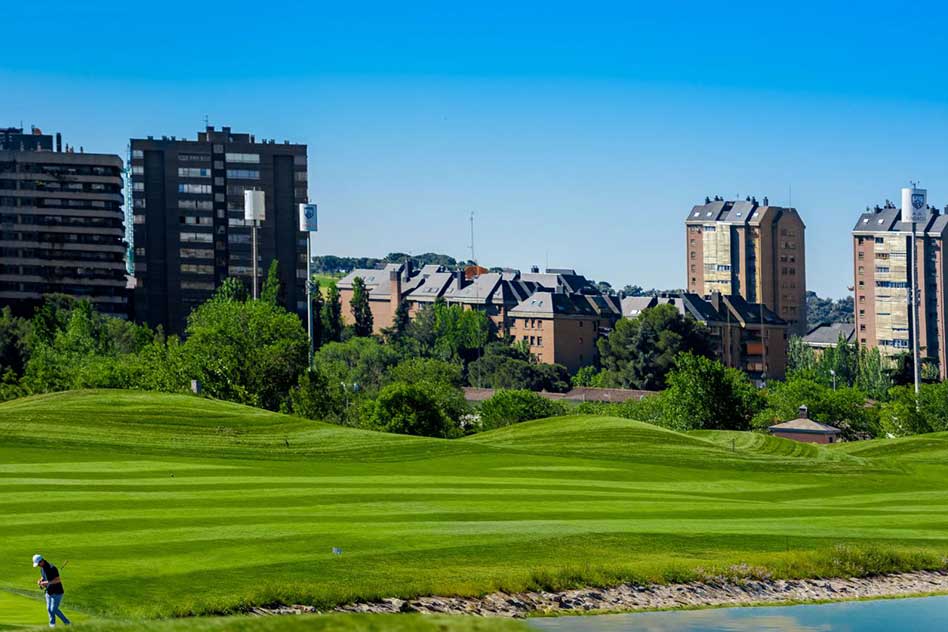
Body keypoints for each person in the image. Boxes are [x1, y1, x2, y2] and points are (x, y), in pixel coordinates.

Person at [33, 554, 70, 627]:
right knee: (49, 609)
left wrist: (46, 583)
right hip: (49, 591)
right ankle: (52, 625)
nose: (38, 566)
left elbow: (57, 580)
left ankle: (67, 623)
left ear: (42, 561)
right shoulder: (42, 568)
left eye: (38, 564)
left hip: (57, 592)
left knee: (54, 609)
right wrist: (40, 581)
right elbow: (44, 577)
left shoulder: (52, 568)